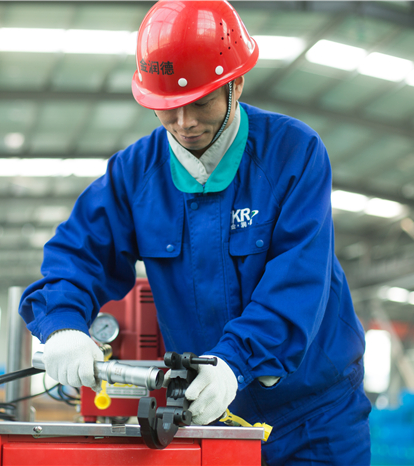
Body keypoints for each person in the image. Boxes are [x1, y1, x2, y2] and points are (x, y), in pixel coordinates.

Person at [19, 1, 371, 464]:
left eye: (201, 102)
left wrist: (235, 361)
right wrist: (63, 323)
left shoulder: (293, 154)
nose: (185, 123)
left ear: (236, 85)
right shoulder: (134, 174)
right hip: (209, 413)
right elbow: (79, 253)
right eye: (168, 107)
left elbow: (298, 279)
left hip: (313, 416)